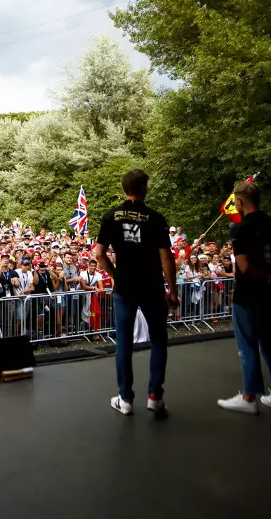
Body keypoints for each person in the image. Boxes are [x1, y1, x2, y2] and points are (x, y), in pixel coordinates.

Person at [93, 169, 178, 417]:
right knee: (159, 339)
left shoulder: (111, 216)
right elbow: (166, 257)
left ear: (124, 189)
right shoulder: (155, 218)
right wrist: (172, 290)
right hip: (151, 285)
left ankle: (126, 399)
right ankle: (155, 396)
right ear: (144, 189)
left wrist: (116, 275)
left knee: (124, 343)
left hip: (125, 286)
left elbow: (99, 255)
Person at [217, 181, 271, 414]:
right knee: (270, 343)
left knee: (247, 345)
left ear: (239, 202)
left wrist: (262, 278)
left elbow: (244, 266)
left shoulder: (241, 229)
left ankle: (249, 397)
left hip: (249, 294)